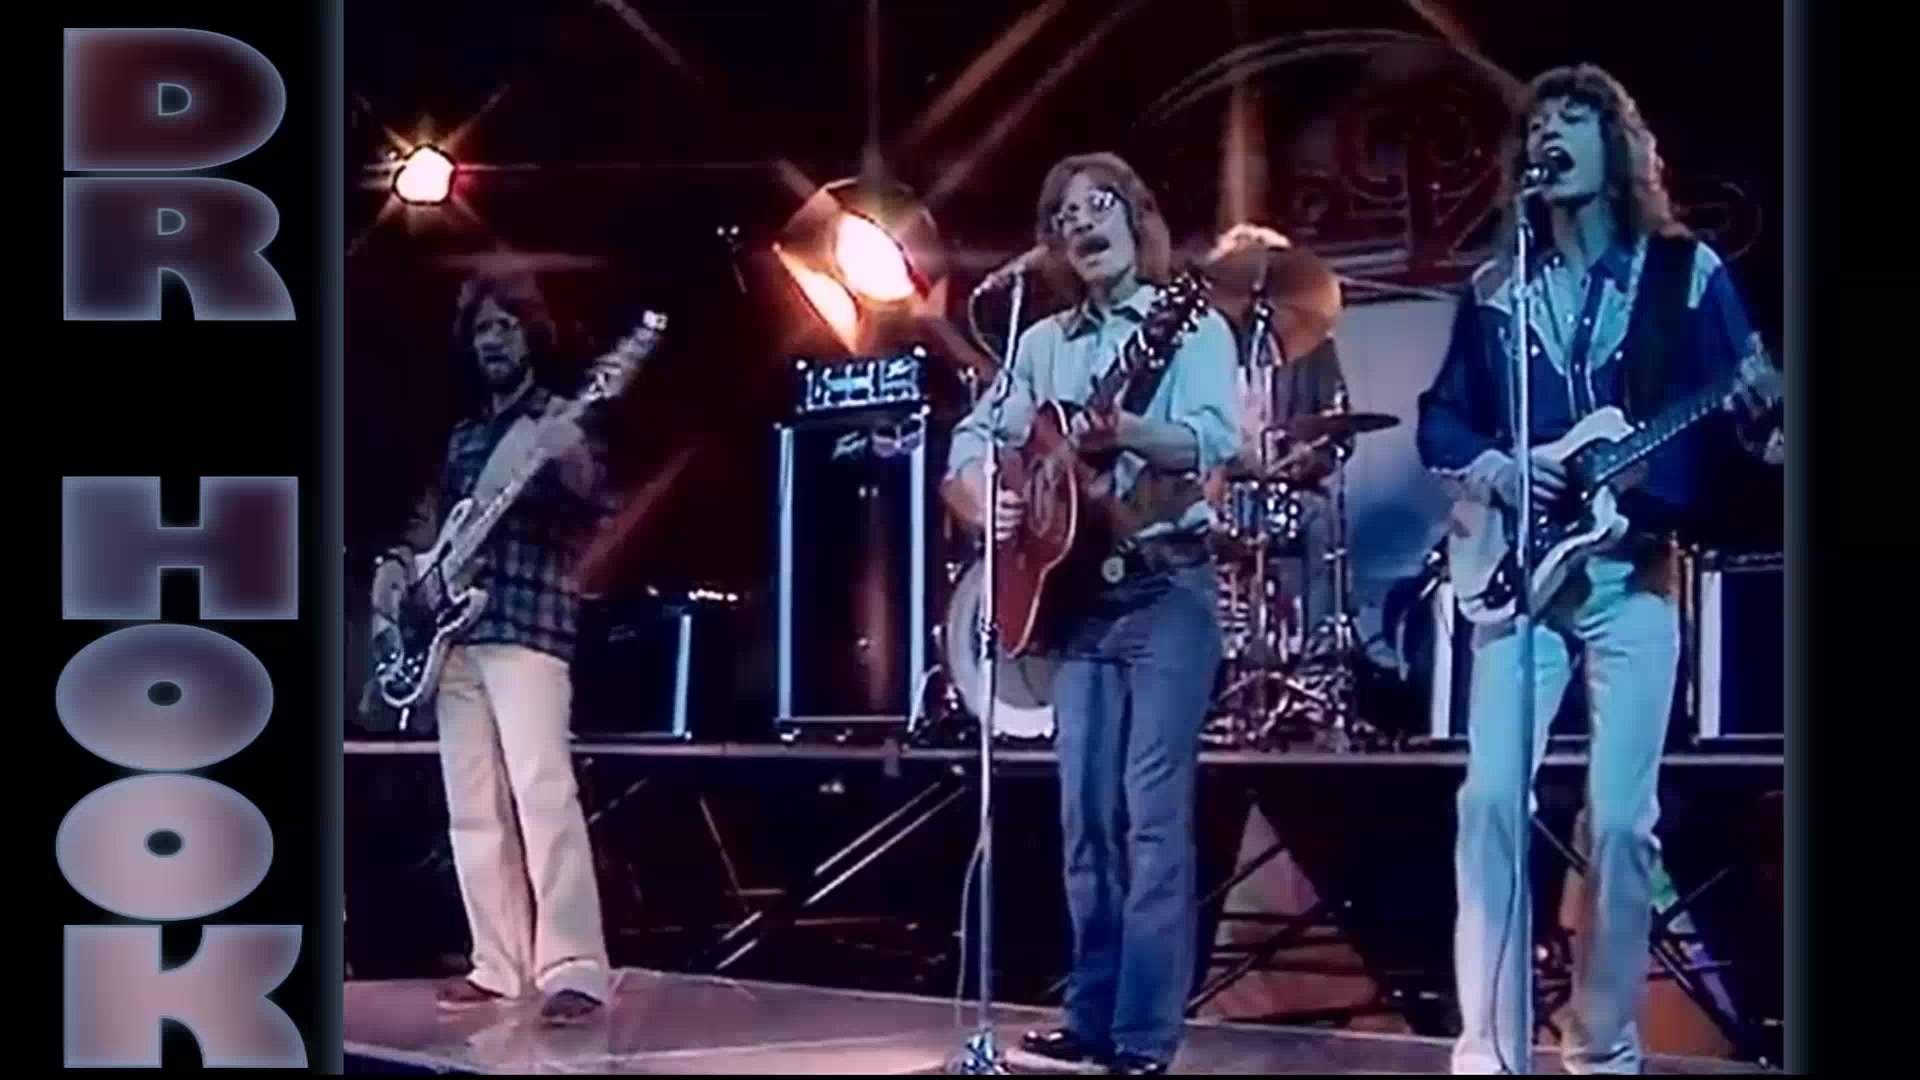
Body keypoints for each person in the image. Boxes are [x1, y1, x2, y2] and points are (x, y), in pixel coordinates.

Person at [1415, 65, 1782, 1074]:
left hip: (1636, 574)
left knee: (1622, 825)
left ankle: (1603, 1046)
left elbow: (1752, 410)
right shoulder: (1498, 287)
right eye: (1541, 122)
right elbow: (1442, 420)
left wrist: (1771, 425)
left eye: (1576, 119)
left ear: (1615, 144)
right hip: (1518, 579)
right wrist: (1504, 467)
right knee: (1489, 804)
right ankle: (1490, 1050)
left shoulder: (1684, 273)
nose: (1554, 135)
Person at [941, 152, 1240, 1075]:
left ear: (1137, 216)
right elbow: (971, 441)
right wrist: (987, 497)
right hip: (1078, 602)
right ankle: (1090, 1018)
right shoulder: (1040, 342)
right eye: (1065, 214)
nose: (1082, 223)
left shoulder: (1190, 326)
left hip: (1165, 591)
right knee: (1085, 823)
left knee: (1151, 819)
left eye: (1099, 204)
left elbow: (1215, 440)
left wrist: (1132, 433)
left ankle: (1143, 1038)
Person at [371, 270, 620, 1026]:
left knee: (543, 796)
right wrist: (398, 567)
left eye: (505, 326)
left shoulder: (558, 421)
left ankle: (574, 967)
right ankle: (498, 964)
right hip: (457, 639)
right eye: (482, 330)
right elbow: (433, 527)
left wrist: (569, 459)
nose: (492, 341)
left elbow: (594, 504)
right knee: (472, 809)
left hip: (528, 625)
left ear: (531, 335)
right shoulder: (464, 436)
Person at [1206, 224, 1353, 642]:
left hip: (1289, 487)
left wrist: (1310, 457)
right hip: (1218, 489)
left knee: (1319, 521)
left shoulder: (1315, 349)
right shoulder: (1202, 350)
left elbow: (1340, 427)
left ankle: (1319, 648)